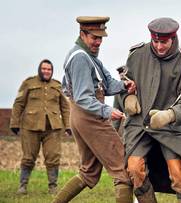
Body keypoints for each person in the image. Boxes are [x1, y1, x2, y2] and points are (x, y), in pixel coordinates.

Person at [121, 17, 181, 203]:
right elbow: (124, 83)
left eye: (163, 42)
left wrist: (170, 115)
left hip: (171, 129)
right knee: (134, 169)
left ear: (173, 38)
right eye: (155, 41)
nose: (159, 46)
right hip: (139, 127)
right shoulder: (136, 55)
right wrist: (127, 97)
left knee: (179, 173)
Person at [52, 16, 136, 203]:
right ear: (82, 34)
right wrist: (107, 111)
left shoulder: (88, 56)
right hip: (90, 117)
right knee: (123, 170)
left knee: (88, 172)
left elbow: (106, 84)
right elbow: (83, 96)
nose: (98, 42)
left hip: (81, 116)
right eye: (94, 37)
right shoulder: (80, 58)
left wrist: (125, 86)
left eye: (101, 38)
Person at [10, 59, 70, 195]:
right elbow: (18, 103)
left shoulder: (57, 85)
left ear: (52, 71)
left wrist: (68, 126)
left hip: (53, 129)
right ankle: (22, 186)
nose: (46, 71)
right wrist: (14, 123)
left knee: (53, 157)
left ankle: (53, 187)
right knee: (28, 157)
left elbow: (65, 107)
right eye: (44, 69)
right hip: (30, 127)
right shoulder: (28, 83)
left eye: (49, 69)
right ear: (39, 69)